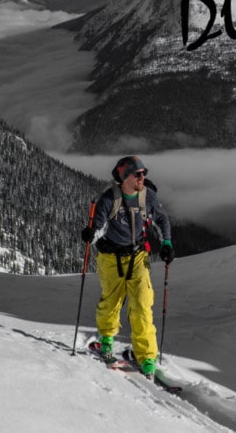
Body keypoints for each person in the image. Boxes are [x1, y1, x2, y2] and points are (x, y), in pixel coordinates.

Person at [80, 155, 173, 376]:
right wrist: (91, 234)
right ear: (125, 177)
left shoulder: (147, 196)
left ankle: (147, 357)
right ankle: (106, 341)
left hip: (138, 256)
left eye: (144, 173)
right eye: (138, 174)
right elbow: (100, 227)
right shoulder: (109, 199)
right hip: (111, 258)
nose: (143, 177)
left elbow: (162, 220)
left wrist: (167, 242)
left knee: (142, 304)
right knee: (111, 302)